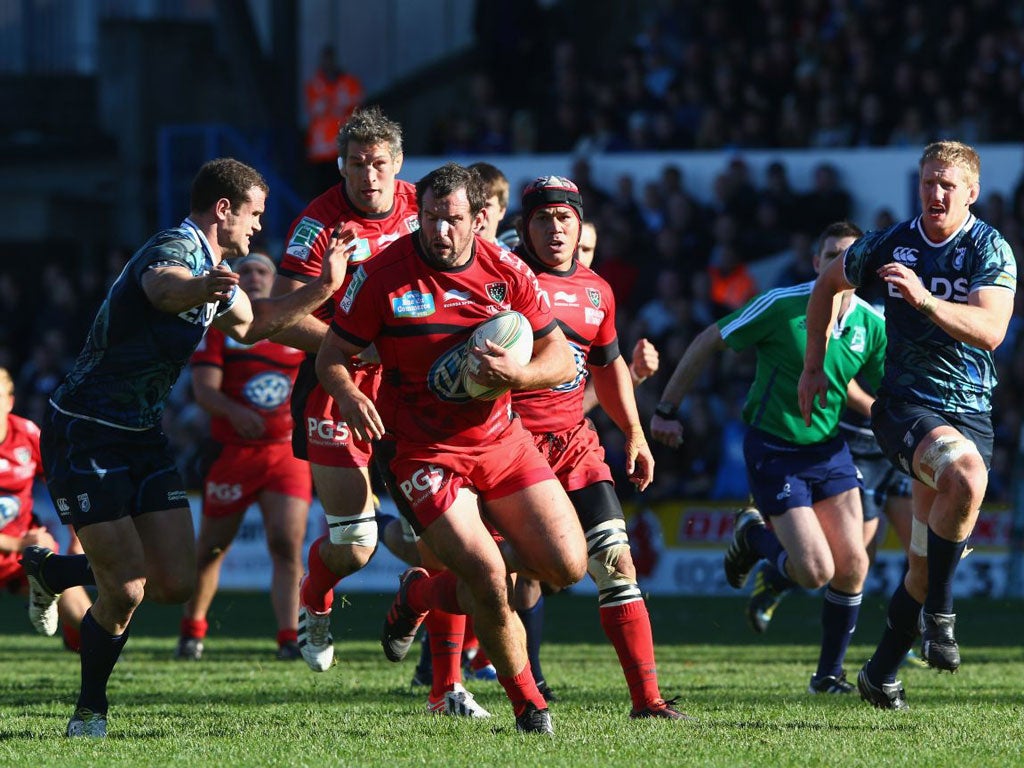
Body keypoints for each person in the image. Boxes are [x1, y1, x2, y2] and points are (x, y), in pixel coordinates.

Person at [20, 157, 352, 738]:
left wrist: (328, 290)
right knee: (123, 586)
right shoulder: (177, 246)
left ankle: (52, 573)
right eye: (253, 215)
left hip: (143, 436)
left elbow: (256, 326)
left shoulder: (219, 266)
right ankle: (89, 713)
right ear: (223, 209)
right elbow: (162, 287)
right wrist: (201, 288)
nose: (256, 228)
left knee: (173, 584)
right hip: (86, 431)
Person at [316, 162, 587, 734]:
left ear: (479, 218)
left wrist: (518, 374)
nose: (441, 231)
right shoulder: (381, 275)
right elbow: (332, 356)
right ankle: (527, 706)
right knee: (488, 578)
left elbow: (562, 360)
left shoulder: (507, 270)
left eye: (454, 220)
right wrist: (345, 393)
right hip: (422, 452)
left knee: (567, 566)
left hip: (502, 442)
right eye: (431, 219)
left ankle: (420, 590)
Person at [799, 141, 1017, 710]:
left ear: (972, 193)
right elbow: (827, 285)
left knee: (922, 563)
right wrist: (814, 364)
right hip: (903, 408)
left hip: (970, 409)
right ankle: (942, 617)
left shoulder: (990, 249)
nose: (935, 193)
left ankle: (879, 673)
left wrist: (922, 300)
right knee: (966, 477)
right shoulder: (891, 242)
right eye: (928, 182)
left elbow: (991, 330)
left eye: (948, 185)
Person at [651, 220, 886, 695]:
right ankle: (754, 536)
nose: (840, 263)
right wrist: (665, 410)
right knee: (816, 572)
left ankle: (827, 677)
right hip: (774, 449)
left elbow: (880, 391)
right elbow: (707, 341)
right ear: (816, 263)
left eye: (849, 256)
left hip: (828, 448)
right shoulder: (782, 304)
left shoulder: (872, 324)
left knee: (854, 565)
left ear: (862, 268)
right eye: (830, 255)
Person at [509, 176, 685, 719]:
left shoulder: (596, 291)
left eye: (565, 218)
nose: (555, 229)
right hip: (509, 447)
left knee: (616, 560)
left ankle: (646, 700)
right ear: (523, 228)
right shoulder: (501, 278)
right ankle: (425, 612)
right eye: (543, 218)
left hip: (577, 447)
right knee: (496, 576)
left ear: (580, 226)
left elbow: (607, 368)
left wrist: (633, 433)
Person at [271, 105, 419, 674]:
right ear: (341, 167)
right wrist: (358, 347)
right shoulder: (318, 223)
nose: (369, 175)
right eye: (357, 164)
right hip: (339, 380)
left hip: (411, 383)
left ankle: (445, 671)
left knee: (441, 538)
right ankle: (315, 596)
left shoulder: (421, 207)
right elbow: (284, 315)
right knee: (355, 544)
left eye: (379, 163)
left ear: (397, 163)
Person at [175, 252, 312, 662]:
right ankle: (192, 632)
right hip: (234, 454)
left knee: (286, 547)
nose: (253, 277)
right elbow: (204, 391)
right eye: (247, 270)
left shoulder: (292, 327)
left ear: (273, 282)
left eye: (262, 271)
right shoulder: (220, 326)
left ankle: (289, 637)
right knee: (212, 549)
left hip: (286, 455)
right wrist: (235, 411)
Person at [0, 367, 91, 651]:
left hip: (23, 552)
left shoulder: (26, 434)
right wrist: (17, 542)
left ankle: (89, 651)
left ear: (10, 400)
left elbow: (63, 485)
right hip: (18, 543)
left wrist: (78, 540)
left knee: (90, 623)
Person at [304, 44, 364, 195]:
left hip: (342, 146)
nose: (328, 63)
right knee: (321, 191)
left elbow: (355, 105)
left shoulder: (349, 82)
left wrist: (330, 103)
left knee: (343, 188)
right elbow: (315, 108)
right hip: (321, 150)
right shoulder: (314, 84)